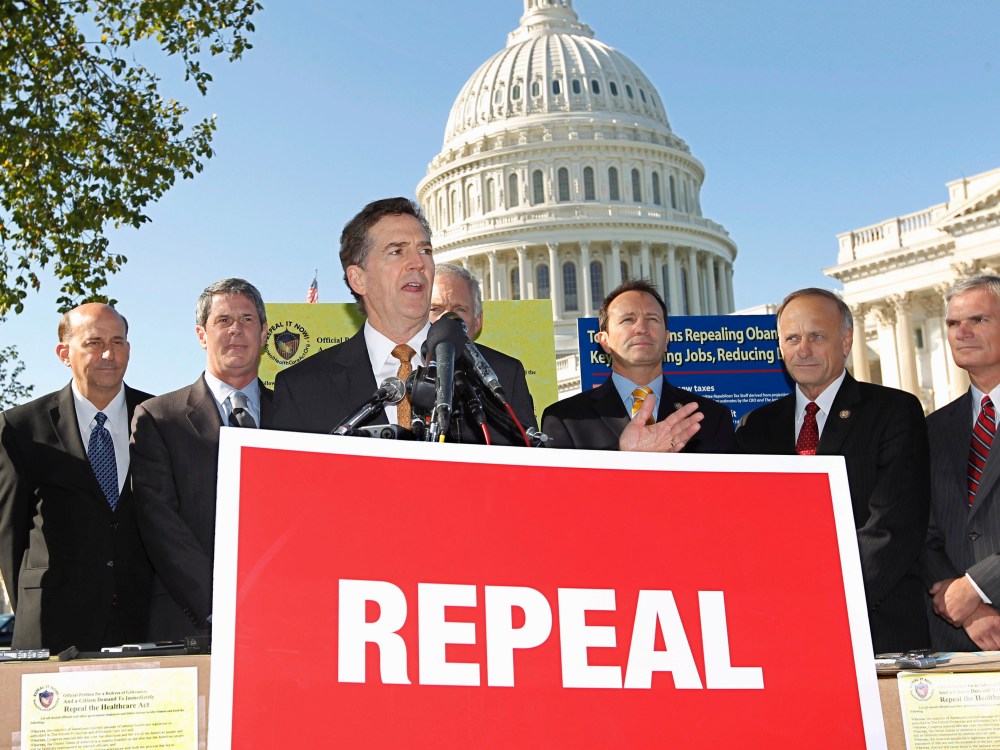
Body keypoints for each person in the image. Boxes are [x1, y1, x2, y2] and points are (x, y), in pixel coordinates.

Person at [735, 287, 929, 654]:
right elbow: (747, 529)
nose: (802, 349)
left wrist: (825, 607)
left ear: (846, 341)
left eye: (816, 336)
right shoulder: (754, 427)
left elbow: (892, 529)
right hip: (778, 631)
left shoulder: (894, 412)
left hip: (875, 627)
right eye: (791, 338)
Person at [270, 198, 537, 443]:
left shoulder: (500, 377)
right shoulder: (301, 388)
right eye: (397, 251)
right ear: (358, 278)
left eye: (425, 250)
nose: (418, 263)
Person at [0, 303, 152, 651]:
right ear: (64, 353)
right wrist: (30, 607)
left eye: (118, 341)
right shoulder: (20, 428)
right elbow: (10, 538)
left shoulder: (159, 420)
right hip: (53, 628)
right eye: (94, 343)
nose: (109, 354)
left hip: (145, 623)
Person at [130, 278, 271, 641]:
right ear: (201, 335)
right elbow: (161, 525)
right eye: (223, 320)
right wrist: (221, 607)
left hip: (283, 618)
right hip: (194, 622)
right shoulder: (158, 417)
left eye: (247, 319)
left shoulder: (297, 411)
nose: (236, 329)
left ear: (265, 332)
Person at [541, 279, 734, 453]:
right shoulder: (565, 419)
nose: (642, 329)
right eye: (628, 320)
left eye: (652, 319)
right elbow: (564, 491)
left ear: (666, 340)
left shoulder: (711, 417)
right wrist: (626, 458)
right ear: (604, 341)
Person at [921, 275, 1000, 650]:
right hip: (956, 638)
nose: (962, 333)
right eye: (953, 323)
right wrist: (963, 604)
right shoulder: (930, 429)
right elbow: (919, 528)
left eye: (978, 320)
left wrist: (978, 586)